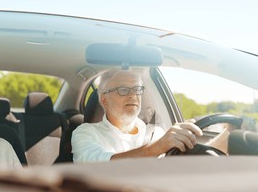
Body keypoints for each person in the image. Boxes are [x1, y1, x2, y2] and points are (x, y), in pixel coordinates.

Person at [71, 68, 203, 162]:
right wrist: (157, 148)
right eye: (123, 89)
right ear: (104, 100)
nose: (133, 95)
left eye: (137, 89)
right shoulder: (85, 133)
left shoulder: (157, 133)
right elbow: (96, 167)